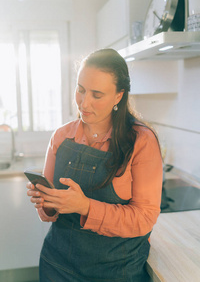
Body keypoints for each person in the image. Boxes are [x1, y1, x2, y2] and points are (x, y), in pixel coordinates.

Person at [26, 48, 163, 282]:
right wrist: (47, 202)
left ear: (118, 96)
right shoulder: (61, 136)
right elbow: (48, 215)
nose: (84, 102)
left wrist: (86, 207)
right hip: (57, 266)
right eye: (80, 90)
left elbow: (144, 219)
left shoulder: (141, 140)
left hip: (118, 272)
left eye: (97, 95)